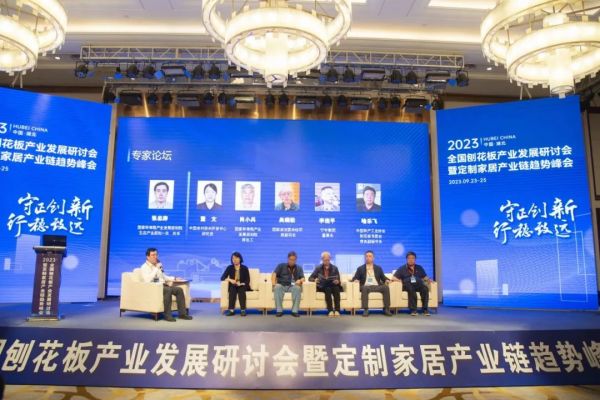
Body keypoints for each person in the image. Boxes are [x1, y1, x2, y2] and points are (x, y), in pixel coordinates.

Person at [139, 247, 192, 322]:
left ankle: (182, 314)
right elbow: (147, 280)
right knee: (168, 290)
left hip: (163, 285)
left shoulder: (157, 265)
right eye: (153, 255)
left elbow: (163, 276)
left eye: (156, 255)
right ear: (148, 257)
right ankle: (167, 315)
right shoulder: (144, 267)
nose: (155, 257)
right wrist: (156, 268)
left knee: (179, 290)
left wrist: (175, 278)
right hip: (154, 288)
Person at [351, 250, 392, 316]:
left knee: (385, 287)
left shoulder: (378, 268)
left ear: (373, 258)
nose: (368, 258)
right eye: (366, 256)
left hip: (377, 286)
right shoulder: (360, 268)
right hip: (366, 286)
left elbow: (383, 277)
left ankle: (386, 309)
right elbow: (354, 278)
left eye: (370, 256)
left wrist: (387, 280)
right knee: (364, 288)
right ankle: (366, 309)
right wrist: (355, 280)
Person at [392, 251, 432, 316]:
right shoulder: (402, 268)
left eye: (412, 258)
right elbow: (393, 278)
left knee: (425, 288)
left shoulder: (419, 267)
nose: (411, 260)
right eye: (409, 258)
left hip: (418, 285)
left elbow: (424, 277)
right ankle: (413, 310)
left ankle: (425, 309)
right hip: (407, 285)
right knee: (410, 288)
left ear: (415, 259)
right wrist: (400, 281)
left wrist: (429, 280)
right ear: (406, 259)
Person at [309, 251, 342, 316]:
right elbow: (310, 278)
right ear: (322, 259)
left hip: (333, 285)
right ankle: (330, 310)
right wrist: (315, 280)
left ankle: (337, 310)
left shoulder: (335, 268)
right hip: (323, 286)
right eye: (325, 260)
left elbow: (338, 279)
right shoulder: (318, 268)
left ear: (330, 259)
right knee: (327, 289)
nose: (327, 261)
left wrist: (337, 281)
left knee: (336, 289)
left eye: (328, 260)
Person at [272, 251, 304, 317]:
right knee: (277, 287)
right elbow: (274, 274)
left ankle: (294, 311)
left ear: (296, 260)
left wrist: (300, 280)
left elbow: (303, 278)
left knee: (298, 288)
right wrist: (274, 284)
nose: (292, 261)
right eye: (290, 259)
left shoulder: (299, 268)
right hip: (282, 285)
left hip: (292, 286)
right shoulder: (281, 266)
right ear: (288, 259)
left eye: (294, 260)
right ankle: (279, 310)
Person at [220, 251, 251, 316]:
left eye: (236, 258)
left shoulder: (245, 268)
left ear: (240, 259)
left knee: (241, 290)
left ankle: (243, 310)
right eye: (233, 258)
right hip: (233, 285)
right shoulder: (229, 267)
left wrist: (242, 284)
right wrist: (230, 280)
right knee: (232, 289)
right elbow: (222, 277)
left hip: (242, 285)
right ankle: (231, 310)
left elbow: (247, 280)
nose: (234, 260)